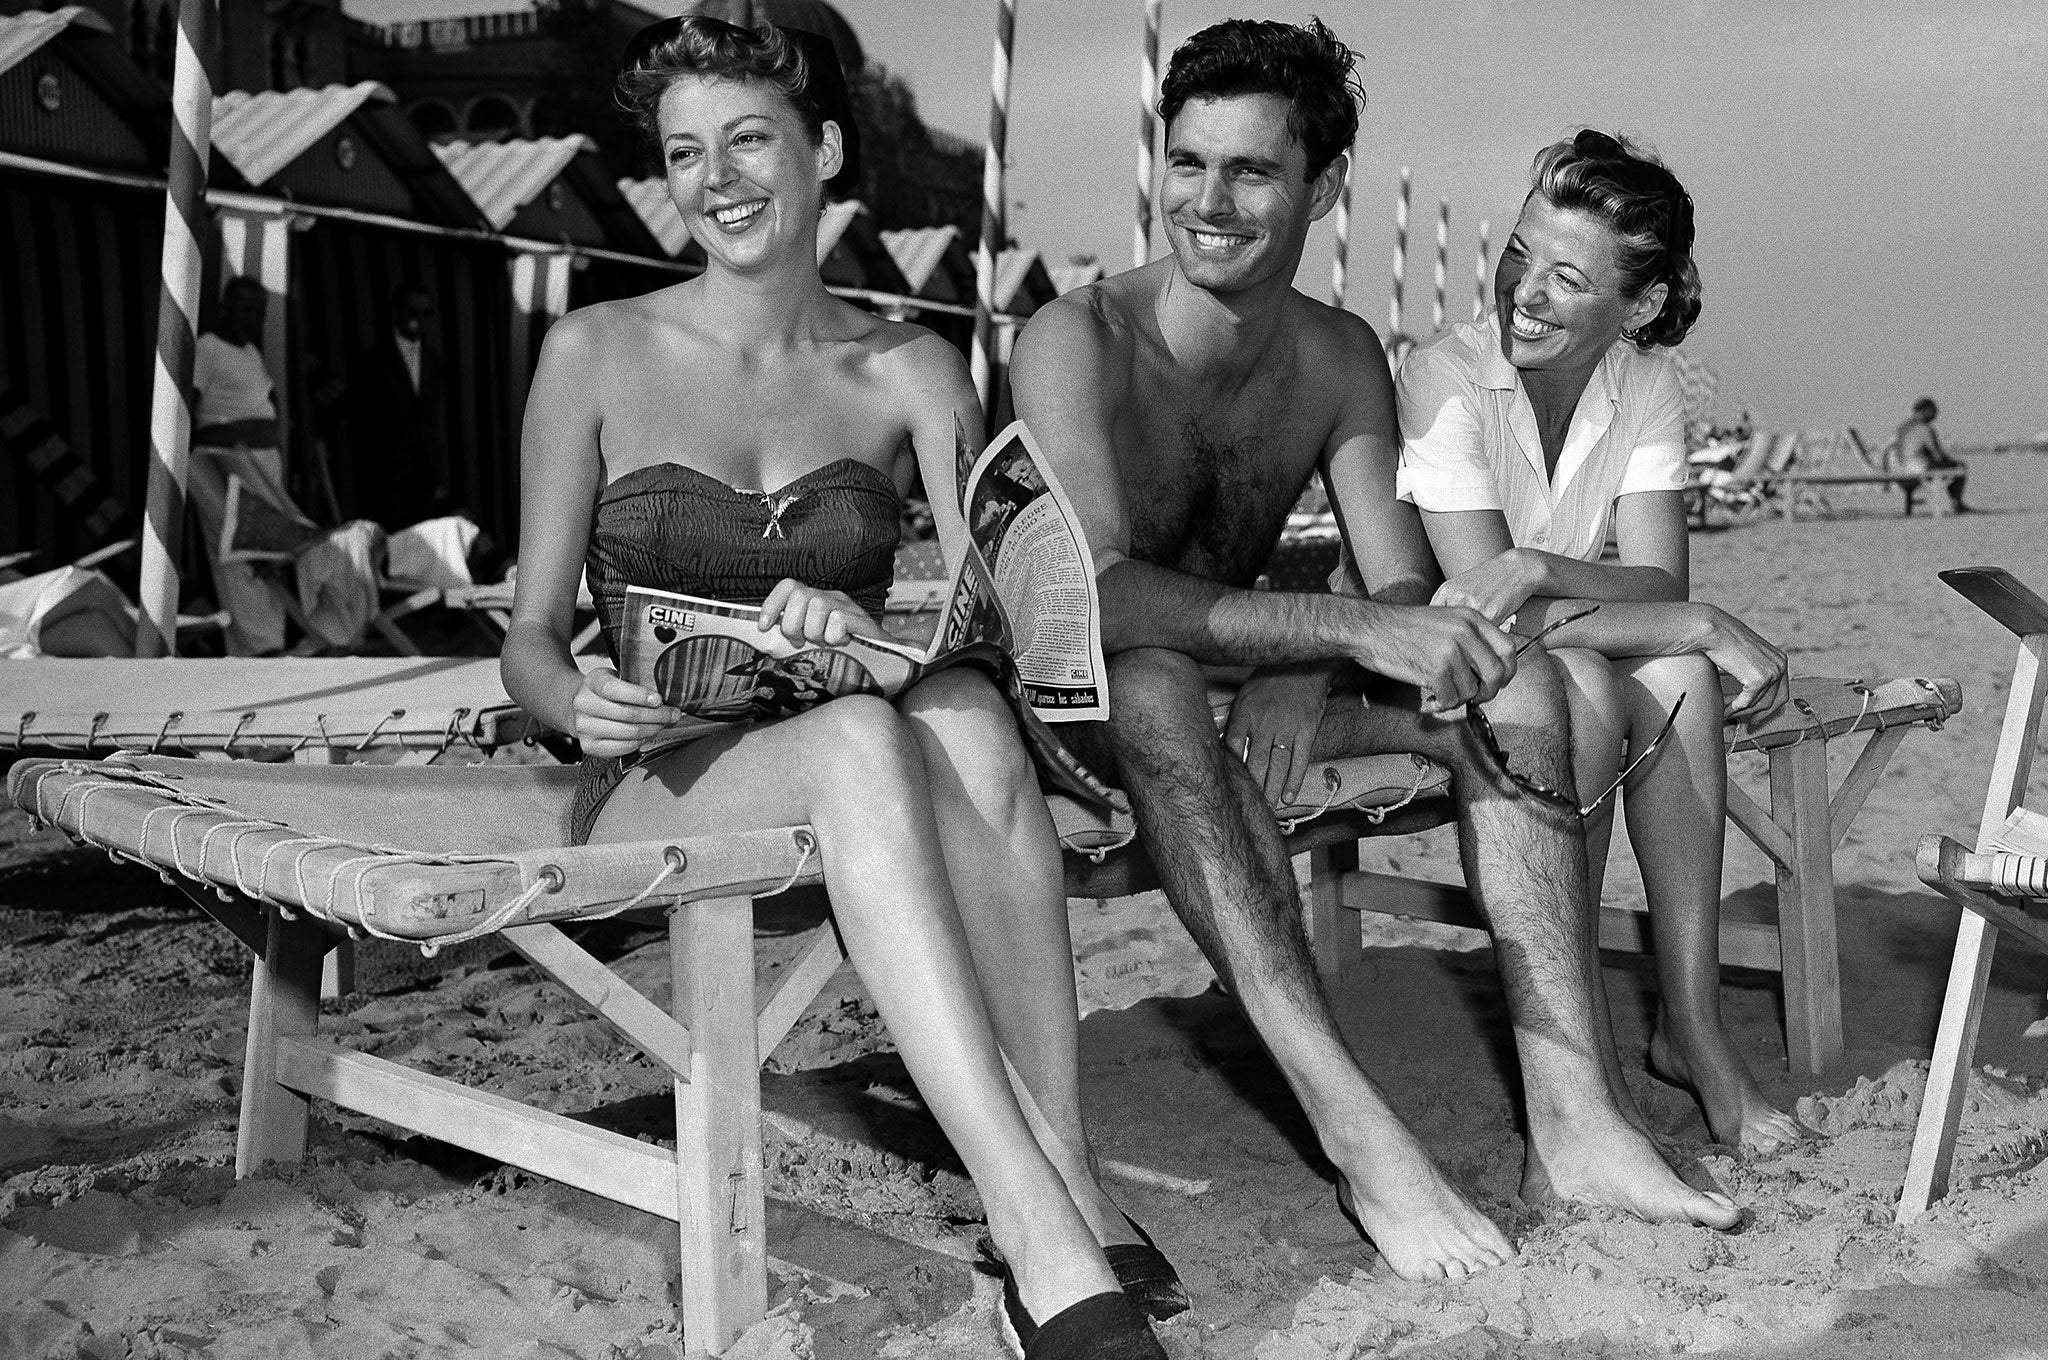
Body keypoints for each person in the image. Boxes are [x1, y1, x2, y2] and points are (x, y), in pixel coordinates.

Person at [1012, 17, 1747, 1284]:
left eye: (1250, 172)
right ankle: (1358, 1138)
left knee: (1508, 680)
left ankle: (1571, 1116)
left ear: (1321, 187)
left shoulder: (1337, 355)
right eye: (1186, 164)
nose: (1208, 201)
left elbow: (1404, 577)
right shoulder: (1074, 340)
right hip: (1076, 701)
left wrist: (1314, 665)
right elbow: (1099, 598)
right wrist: (1340, 630)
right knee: (1152, 678)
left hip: (1238, 679)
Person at [500, 19, 1173, 1358]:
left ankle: (1064, 1168)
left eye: (748, 139)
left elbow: (982, 615)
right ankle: (1040, 1221)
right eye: (686, 153)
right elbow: (526, 641)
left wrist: (864, 620)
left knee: (959, 713)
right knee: (871, 732)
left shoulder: (911, 370)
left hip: (865, 736)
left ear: (822, 152)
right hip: (664, 769)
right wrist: (580, 704)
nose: (718, 179)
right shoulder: (593, 352)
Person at [1397, 131, 1801, 1155]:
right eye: (1519, 252)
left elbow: (1655, 586)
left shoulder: (1645, 385)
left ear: (1639, 306)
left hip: (1553, 654)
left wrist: (1537, 565)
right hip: (1441, 674)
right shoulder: (1439, 376)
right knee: (1625, 663)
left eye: (1565, 277)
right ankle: (1582, 1063)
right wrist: (1695, 624)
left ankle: (1690, 1027)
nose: (1522, 291)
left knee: (1672, 674)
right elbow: (1486, 618)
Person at [186, 277, 290, 655]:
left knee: (268, 551)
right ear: (224, 308)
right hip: (225, 467)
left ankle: (269, 642)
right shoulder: (207, 349)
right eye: (246, 309)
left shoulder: (250, 352)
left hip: (260, 467)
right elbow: (187, 410)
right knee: (238, 553)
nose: (253, 319)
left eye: (260, 312)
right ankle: (256, 647)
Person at [348, 283, 448, 533]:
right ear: (398, 312)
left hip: (424, 467)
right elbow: (361, 416)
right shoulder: (373, 358)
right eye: (411, 311)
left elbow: (431, 417)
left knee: (423, 536)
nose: (417, 319)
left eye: (426, 313)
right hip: (385, 469)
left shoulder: (434, 360)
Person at [1891, 397, 1969, 515]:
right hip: (1918, 468)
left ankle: (1956, 503)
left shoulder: (1903, 427)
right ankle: (1957, 503)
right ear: (1926, 411)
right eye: (1934, 411)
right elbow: (1937, 454)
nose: (1935, 415)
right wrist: (1950, 463)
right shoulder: (1924, 428)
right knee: (1959, 467)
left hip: (1899, 469)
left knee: (1948, 466)